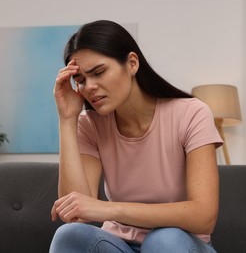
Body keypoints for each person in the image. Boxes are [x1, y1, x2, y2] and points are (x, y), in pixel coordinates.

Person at [50, 20, 223, 253]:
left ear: (132, 63)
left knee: (164, 240)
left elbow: (203, 216)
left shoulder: (191, 113)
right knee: (68, 235)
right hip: (118, 245)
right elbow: (75, 214)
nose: (89, 87)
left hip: (180, 245)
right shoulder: (89, 125)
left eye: (99, 72)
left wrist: (108, 209)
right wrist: (67, 119)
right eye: (80, 81)